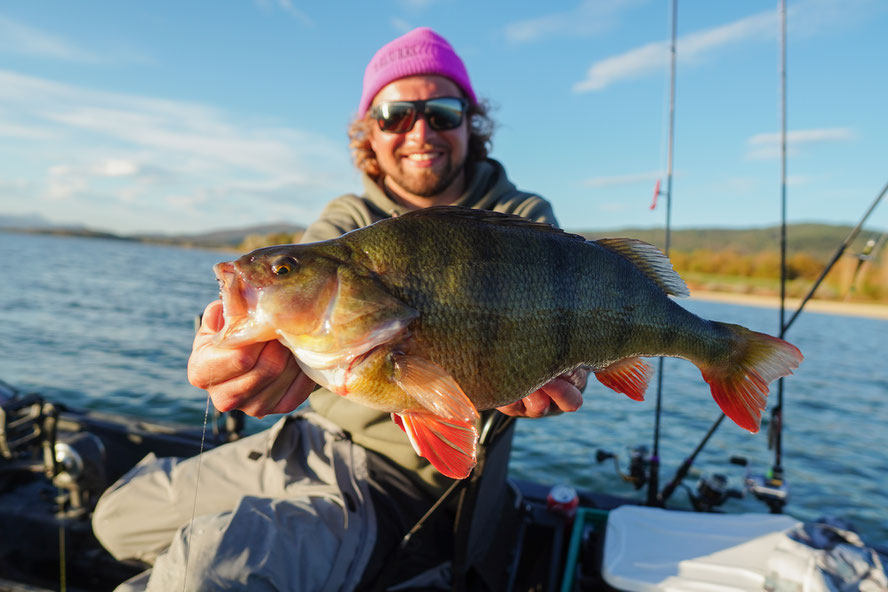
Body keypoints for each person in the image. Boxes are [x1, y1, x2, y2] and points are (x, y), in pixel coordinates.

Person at [92, 27, 586, 591]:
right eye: (396, 113)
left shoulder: (521, 218)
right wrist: (237, 353)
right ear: (369, 133)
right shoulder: (346, 220)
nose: (420, 131)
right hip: (303, 441)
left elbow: (572, 318)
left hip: (394, 484)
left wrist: (561, 369)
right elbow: (289, 304)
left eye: (444, 111)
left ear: (471, 124)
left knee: (201, 575)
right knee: (115, 517)